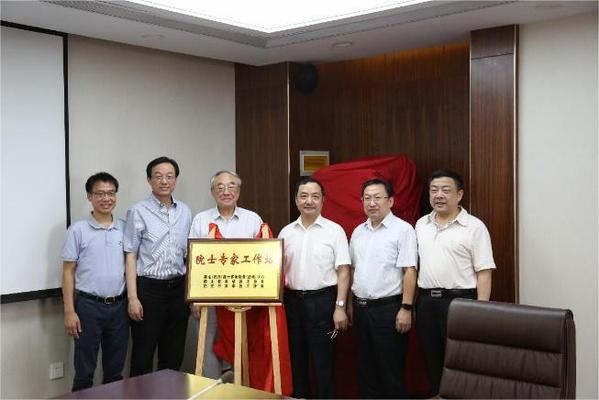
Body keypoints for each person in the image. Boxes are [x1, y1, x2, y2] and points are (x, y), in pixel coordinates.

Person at [415, 169, 495, 396]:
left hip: (459, 301)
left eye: (445, 190)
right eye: (434, 190)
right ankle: (437, 394)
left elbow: (484, 271)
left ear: (459, 195)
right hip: (426, 302)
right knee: (431, 358)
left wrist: (481, 309)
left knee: (460, 359)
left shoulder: (474, 226)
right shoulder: (421, 224)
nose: (439, 195)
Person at [278, 176, 351, 399]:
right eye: (304, 196)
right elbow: (277, 272)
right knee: (295, 359)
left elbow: (344, 271)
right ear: (296, 200)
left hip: (323, 303)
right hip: (292, 303)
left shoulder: (334, 231)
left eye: (315, 196)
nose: (309, 201)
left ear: (323, 200)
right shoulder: (286, 232)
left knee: (323, 361)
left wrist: (340, 306)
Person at [188, 170, 262, 378]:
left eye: (231, 186)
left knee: (242, 343)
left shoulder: (252, 219)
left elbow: (262, 258)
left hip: (243, 296)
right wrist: (194, 299)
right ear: (212, 192)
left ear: (239, 191)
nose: (226, 191)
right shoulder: (201, 220)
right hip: (208, 295)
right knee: (208, 345)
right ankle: (213, 389)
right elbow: (193, 259)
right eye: (220, 187)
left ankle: (241, 387)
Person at [124, 156, 192, 376]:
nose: (164, 181)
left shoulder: (185, 211)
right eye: (158, 176)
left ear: (175, 180)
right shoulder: (138, 210)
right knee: (143, 354)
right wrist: (132, 298)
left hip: (178, 289)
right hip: (148, 290)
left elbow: (189, 255)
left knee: (173, 355)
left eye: (169, 176)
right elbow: (130, 255)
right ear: (149, 180)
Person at [349, 178, 417, 399]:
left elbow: (409, 271)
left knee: (391, 371)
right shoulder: (358, 232)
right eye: (367, 198)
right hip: (361, 309)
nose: (372, 203)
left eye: (378, 197)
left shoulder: (403, 230)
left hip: (389, 310)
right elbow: (353, 270)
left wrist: (406, 308)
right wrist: (349, 305)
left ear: (391, 201)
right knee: (365, 369)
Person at [61, 172, 128, 391]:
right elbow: (68, 272)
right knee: (84, 372)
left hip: (119, 306)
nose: (106, 198)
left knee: (115, 372)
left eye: (110, 193)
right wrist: (69, 311)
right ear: (89, 197)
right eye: (100, 193)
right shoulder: (78, 230)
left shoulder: (124, 228)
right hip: (88, 307)